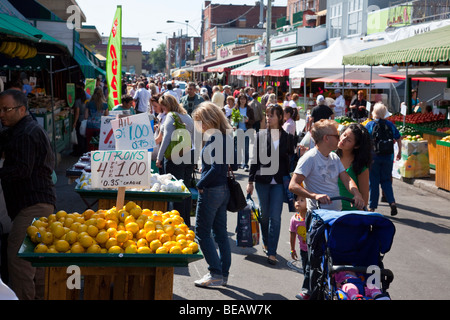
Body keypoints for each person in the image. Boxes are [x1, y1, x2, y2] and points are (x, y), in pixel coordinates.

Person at [0, 89, 56, 300]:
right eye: (0, 109)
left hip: (32, 206)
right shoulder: (22, 130)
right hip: (41, 204)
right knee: (37, 261)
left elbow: (22, 170)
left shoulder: (25, 134)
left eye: (7, 109)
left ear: (22, 109)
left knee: (19, 261)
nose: (2, 114)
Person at [191, 102, 234, 287]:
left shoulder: (216, 138)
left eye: (199, 122)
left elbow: (216, 169)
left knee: (202, 232)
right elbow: (232, 165)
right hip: (222, 189)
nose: (198, 126)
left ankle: (215, 272)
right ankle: (222, 274)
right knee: (220, 233)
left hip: (212, 190)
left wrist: (200, 183)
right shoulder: (225, 136)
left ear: (208, 120)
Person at [247, 105, 294, 265]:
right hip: (262, 181)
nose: (268, 118)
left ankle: (272, 252)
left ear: (280, 117)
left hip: (280, 182)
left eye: (272, 115)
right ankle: (266, 241)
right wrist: (250, 181)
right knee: (264, 215)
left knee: (275, 217)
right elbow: (254, 159)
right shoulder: (260, 136)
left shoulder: (287, 137)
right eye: (267, 115)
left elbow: (291, 161)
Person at [289, 119, 365, 213]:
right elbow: (292, 185)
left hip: (336, 213)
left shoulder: (334, 157)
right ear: (326, 138)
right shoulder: (309, 158)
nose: (339, 138)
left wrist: (357, 194)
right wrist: (314, 195)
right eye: (337, 136)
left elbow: (347, 179)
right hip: (318, 216)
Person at [156, 94, 195, 227]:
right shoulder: (187, 116)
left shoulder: (170, 116)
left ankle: (175, 223)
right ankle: (185, 222)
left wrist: (159, 157)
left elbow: (166, 138)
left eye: (163, 107)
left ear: (166, 106)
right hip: (189, 155)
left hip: (174, 157)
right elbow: (195, 137)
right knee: (185, 189)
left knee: (174, 191)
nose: (162, 110)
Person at [365, 103, 401, 216]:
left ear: (374, 113)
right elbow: (399, 138)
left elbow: (364, 140)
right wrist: (399, 152)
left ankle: (372, 207)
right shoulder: (390, 125)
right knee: (386, 181)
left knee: (373, 182)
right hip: (388, 156)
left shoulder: (370, 125)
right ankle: (392, 202)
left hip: (374, 157)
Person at [336, 123, 372, 210]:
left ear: (356, 146)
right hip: (329, 210)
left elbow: (364, 198)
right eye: (344, 135)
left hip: (349, 214)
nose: (343, 139)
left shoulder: (360, 166)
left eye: (349, 140)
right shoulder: (330, 156)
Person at [289, 195, 310, 300]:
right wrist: (292, 249)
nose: (298, 202)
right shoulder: (294, 219)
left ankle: (305, 291)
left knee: (309, 268)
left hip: (313, 250)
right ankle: (310, 289)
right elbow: (292, 234)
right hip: (303, 250)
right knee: (306, 271)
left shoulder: (311, 217)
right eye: (296, 200)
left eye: (302, 200)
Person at [234, 93, 255, 171]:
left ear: (246, 100)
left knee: (246, 148)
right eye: (241, 99)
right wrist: (234, 125)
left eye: (244, 99)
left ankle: (245, 164)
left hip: (246, 130)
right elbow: (233, 119)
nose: (242, 101)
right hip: (238, 130)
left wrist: (248, 121)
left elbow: (253, 120)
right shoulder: (236, 108)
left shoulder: (249, 109)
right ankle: (238, 163)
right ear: (239, 100)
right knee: (237, 147)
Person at [71, 86, 87, 156]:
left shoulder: (77, 101)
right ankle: (83, 151)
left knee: (79, 136)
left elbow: (77, 113)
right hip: (86, 120)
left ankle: (78, 151)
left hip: (80, 120)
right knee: (84, 136)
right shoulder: (87, 100)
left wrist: (74, 122)